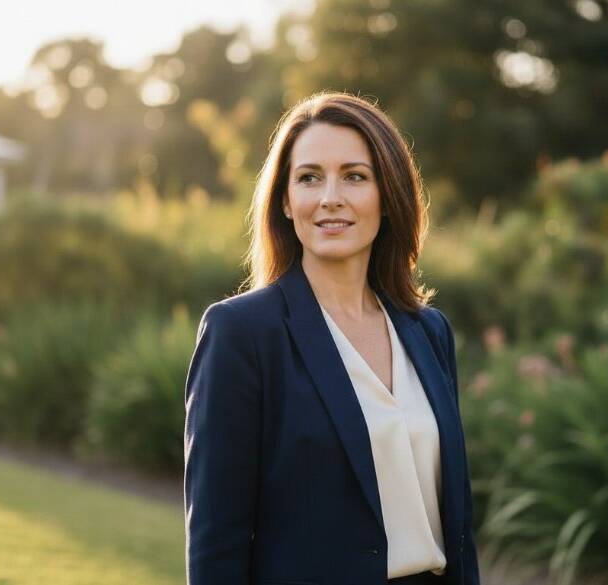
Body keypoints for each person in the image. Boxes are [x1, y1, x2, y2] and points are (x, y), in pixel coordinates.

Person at [183, 92, 481, 585]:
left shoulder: (429, 331)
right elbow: (218, 539)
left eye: (355, 176)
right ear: (285, 199)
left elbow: (458, 523)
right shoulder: (242, 333)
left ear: (388, 195)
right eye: (309, 178)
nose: (330, 198)